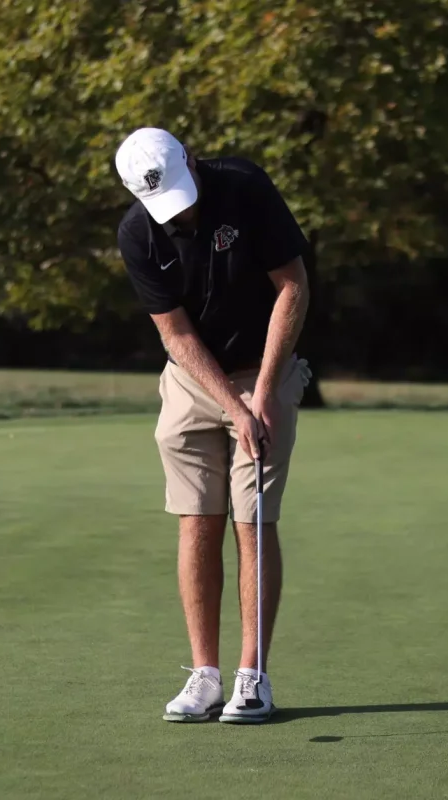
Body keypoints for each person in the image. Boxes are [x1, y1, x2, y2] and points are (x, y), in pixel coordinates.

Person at [114, 127, 311, 724]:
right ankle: (205, 676)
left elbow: (293, 286)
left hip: (263, 364)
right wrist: (233, 405)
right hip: (193, 377)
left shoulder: (244, 186)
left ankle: (253, 676)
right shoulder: (137, 233)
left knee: (251, 519)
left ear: (191, 159)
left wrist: (267, 392)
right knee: (196, 521)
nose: (184, 210)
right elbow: (174, 333)